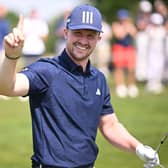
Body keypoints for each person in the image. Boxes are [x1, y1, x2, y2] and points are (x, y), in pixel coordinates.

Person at [0, 4, 160, 168]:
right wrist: (11, 57)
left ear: (99, 38)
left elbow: (109, 124)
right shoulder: (46, 70)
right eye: (78, 33)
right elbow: (7, 87)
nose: (83, 41)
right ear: (65, 33)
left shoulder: (99, 79)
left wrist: (138, 148)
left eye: (90, 35)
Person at [111, 9, 139, 98]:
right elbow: (119, 35)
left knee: (131, 68)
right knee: (119, 68)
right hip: (119, 48)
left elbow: (134, 34)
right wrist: (126, 28)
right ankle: (120, 86)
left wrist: (128, 28)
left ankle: (132, 86)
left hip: (129, 48)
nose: (123, 19)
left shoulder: (130, 25)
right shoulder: (115, 25)